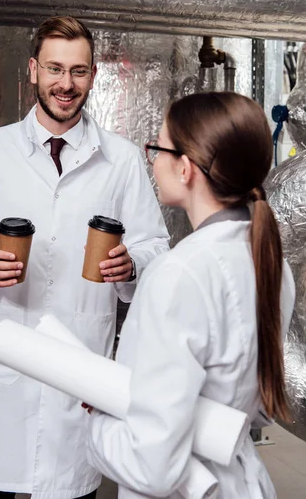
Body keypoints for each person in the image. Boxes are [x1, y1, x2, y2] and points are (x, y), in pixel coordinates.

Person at [0, 16, 169, 499]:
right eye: (55, 69)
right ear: (33, 71)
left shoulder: (122, 158)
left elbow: (154, 246)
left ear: (93, 75)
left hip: (78, 364)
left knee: (70, 490)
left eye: (79, 71)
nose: (66, 84)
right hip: (6, 363)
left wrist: (132, 266)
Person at [86, 91, 295, 499]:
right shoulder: (271, 263)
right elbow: (258, 405)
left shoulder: (178, 273)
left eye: (158, 148)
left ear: (185, 168)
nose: (153, 160)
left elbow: (152, 468)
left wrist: (95, 421)